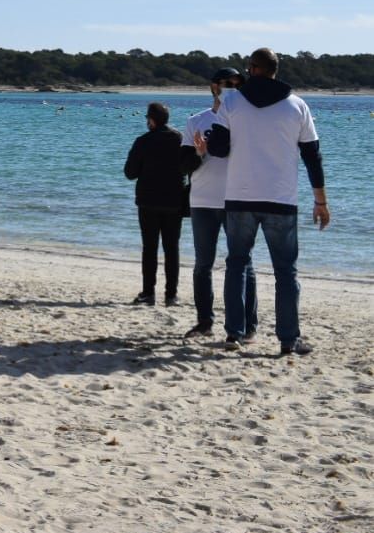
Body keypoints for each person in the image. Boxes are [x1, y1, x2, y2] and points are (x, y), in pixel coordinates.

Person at [201, 47, 330, 356]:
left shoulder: (231, 101)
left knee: (237, 264)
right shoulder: (298, 105)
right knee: (286, 272)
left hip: (240, 197)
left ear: (252, 69)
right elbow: (313, 156)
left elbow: (217, 150)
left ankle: (235, 333)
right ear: (275, 70)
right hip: (280, 199)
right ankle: (288, 340)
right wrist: (320, 201)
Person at [181, 68, 257, 340]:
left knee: (243, 263)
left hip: (237, 200)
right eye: (228, 84)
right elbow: (183, 164)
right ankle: (204, 322)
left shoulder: (246, 121)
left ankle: (248, 326)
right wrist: (200, 154)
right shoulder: (196, 121)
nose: (232, 89)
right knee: (203, 264)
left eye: (237, 85)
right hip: (202, 201)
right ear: (214, 87)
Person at [124, 102, 188, 306]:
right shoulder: (180, 138)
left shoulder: (143, 141)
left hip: (148, 201)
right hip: (174, 201)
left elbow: (130, 173)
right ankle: (171, 295)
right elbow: (188, 166)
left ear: (151, 120)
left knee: (149, 248)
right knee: (172, 248)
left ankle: (148, 292)